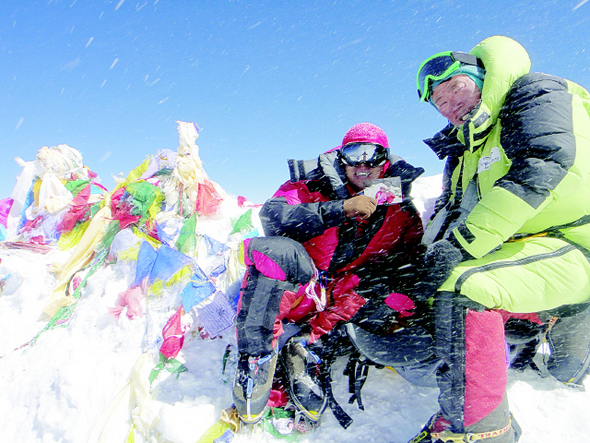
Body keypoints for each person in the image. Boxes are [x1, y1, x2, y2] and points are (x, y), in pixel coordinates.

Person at [411, 35, 590, 442]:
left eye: (455, 87)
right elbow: (452, 211)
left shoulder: (534, 94)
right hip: (525, 253)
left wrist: (458, 250)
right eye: (438, 102)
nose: (449, 104)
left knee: (463, 289)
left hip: (576, 244)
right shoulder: (466, 147)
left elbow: (542, 164)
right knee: (439, 286)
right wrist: (422, 267)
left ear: (481, 75)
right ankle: (544, 320)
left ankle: (483, 431)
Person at [232, 123, 429, 425]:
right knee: (275, 251)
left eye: (372, 154)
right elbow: (274, 216)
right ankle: (256, 358)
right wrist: (340, 209)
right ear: (341, 157)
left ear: (385, 160)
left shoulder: (399, 208)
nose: (363, 164)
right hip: (302, 288)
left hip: (342, 300)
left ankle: (309, 350)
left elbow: (408, 257)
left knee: (394, 281)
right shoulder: (312, 186)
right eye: (354, 153)